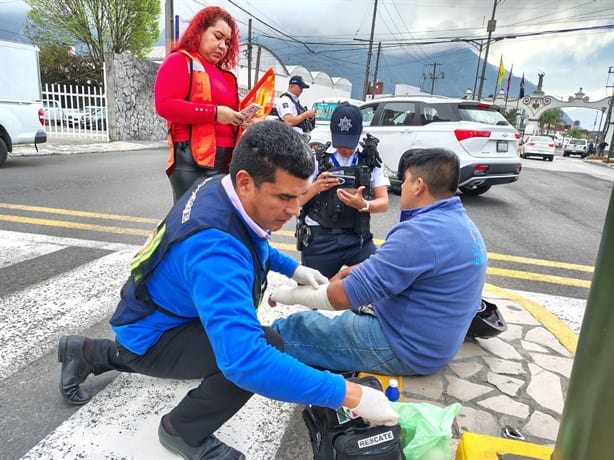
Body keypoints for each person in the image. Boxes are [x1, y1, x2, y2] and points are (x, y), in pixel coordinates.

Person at [57, 121, 399, 459]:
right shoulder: (215, 249)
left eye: (299, 196)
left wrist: (292, 267)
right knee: (260, 348)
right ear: (246, 182)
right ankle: (183, 431)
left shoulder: (220, 188)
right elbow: (245, 361)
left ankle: (86, 352)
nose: (295, 210)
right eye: (284, 197)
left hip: (163, 312)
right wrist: (348, 394)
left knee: (225, 344)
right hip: (154, 331)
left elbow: (253, 234)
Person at [270, 148, 488, 377]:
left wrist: (286, 295)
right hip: (433, 342)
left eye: (405, 181)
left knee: (296, 327)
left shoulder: (421, 233)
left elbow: (340, 297)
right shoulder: (461, 224)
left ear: (418, 185)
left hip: (405, 348)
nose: (402, 187)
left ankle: (246, 356)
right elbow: (402, 265)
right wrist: (359, 270)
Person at [154, 6, 254, 203]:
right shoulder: (180, 60)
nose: (222, 46)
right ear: (199, 31)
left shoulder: (226, 76)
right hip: (192, 162)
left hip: (227, 162)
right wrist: (215, 113)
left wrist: (240, 120)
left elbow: (225, 117)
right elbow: (165, 106)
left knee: (217, 223)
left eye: (227, 42)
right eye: (217, 36)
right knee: (193, 224)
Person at [296, 103, 390, 278]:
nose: (345, 150)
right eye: (340, 143)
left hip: (358, 238)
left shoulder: (370, 158)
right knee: (310, 291)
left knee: (375, 281)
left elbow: (384, 203)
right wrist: (316, 187)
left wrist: (364, 204)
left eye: (349, 144)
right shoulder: (317, 158)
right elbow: (295, 201)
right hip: (320, 237)